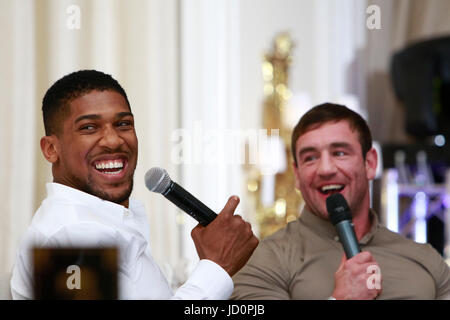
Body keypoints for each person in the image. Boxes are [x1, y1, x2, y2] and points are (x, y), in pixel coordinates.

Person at [10, 70, 259, 299]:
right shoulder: (69, 236)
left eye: (123, 124)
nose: (113, 140)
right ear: (51, 149)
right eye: (89, 127)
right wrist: (217, 266)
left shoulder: (97, 221)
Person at [231, 103, 450, 300]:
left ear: (370, 163)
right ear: (297, 175)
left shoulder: (427, 260)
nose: (325, 169)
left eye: (340, 153)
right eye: (310, 158)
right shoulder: (263, 260)